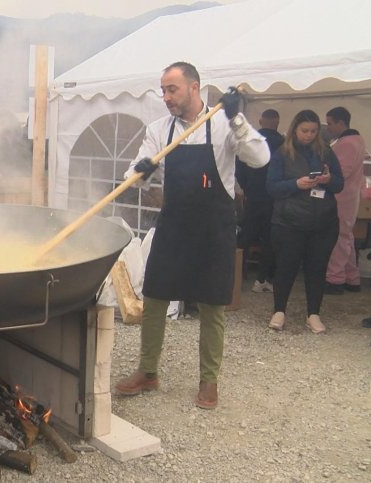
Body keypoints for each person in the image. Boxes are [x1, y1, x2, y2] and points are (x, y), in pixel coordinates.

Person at [114, 62, 270, 410]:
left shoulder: (222, 124)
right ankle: (148, 371)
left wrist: (238, 120)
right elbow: (134, 173)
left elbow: (260, 158)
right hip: (174, 225)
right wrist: (141, 171)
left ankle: (209, 380)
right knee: (154, 298)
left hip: (214, 228)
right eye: (164, 90)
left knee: (213, 304)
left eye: (172, 89)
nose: (166, 96)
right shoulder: (159, 130)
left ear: (194, 87)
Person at [266, 109, 344, 333]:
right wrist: (295, 184)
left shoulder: (326, 152)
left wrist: (329, 180)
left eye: (313, 131)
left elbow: (340, 184)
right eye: (304, 131)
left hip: (323, 222)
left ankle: (313, 314)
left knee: (317, 269)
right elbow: (271, 187)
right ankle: (279, 311)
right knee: (286, 268)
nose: (308, 135)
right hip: (289, 222)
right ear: (294, 130)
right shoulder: (282, 153)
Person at [237, 109, 284, 292]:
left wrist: (247, 187)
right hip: (275, 198)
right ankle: (263, 279)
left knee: (246, 236)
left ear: (260, 120)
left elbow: (238, 168)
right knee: (270, 239)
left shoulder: (250, 141)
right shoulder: (283, 144)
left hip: (253, 195)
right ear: (277, 122)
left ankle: (236, 275)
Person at [324, 106, 366, 295]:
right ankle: (352, 277)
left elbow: (342, 171)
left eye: (330, 123)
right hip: (350, 196)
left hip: (342, 197)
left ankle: (335, 279)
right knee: (346, 237)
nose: (329, 128)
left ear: (341, 122)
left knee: (339, 238)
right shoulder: (356, 140)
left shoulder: (347, 143)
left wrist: (324, 173)